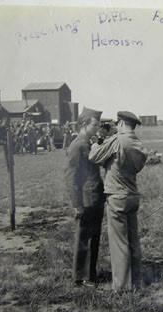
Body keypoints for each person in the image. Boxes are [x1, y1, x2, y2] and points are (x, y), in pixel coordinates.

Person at [89, 111, 148, 292]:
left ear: (121, 123)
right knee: (133, 242)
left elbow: (94, 157)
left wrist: (97, 142)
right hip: (132, 196)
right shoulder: (137, 143)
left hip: (117, 196)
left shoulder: (117, 140)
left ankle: (121, 287)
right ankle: (136, 282)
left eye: (117, 123)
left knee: (119, 244)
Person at [65, 106, 105, 286]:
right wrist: (77, 204)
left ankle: (89, 275)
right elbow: (71, 177)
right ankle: (81, 277)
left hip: (95, 197)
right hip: (86, 199)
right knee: (85, 238)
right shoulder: (78, 145)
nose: (97, 128)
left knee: (93, 237)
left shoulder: (88, 143)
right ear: (83, 124)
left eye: (98, 125)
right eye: (94, 125)